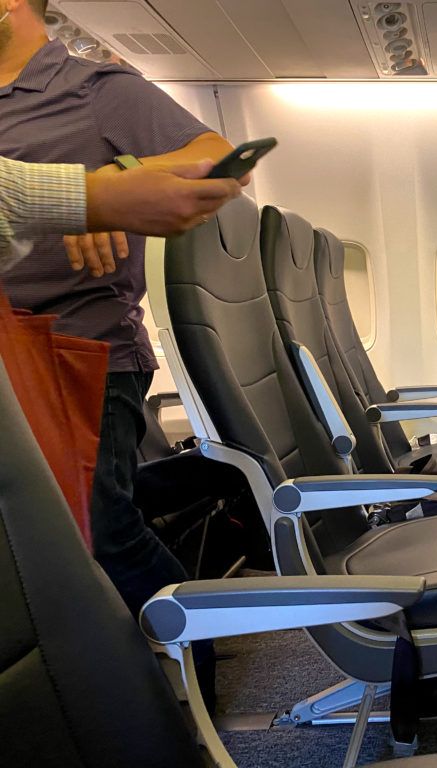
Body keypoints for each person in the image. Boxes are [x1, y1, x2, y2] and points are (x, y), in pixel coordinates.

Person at [0, 0, 245, 626]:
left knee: (99, 537)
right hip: (8, 361)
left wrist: (107, 182)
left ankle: (188, 683)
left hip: (79, 348)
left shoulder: (90, 87)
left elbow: (218, 159)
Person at [0, 155, 243, 270]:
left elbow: (216, 151)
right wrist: (96, 200)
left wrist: (105, 190)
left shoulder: (91, 85)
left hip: (78, 333)